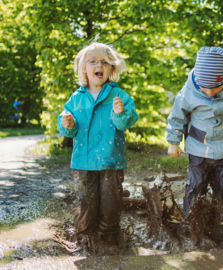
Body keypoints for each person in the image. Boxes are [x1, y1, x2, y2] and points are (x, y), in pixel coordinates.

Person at [166, 46, 223, 247]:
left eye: (214, 88)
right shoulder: (187, 92)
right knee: (195, 188)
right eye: (203, 88)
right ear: (196, 79)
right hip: (199, 148)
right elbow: (176, 118)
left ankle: (222, 230)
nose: (207, 92)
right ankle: (189, 228)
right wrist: (173, 142)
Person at [57, 42, 138, 247]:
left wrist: (120, 113)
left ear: (112, 68)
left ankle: (110, 236)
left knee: (111, 203)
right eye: (92, 61)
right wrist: (67, 123)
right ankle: (83, 235)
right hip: (83, 162)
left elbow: (126, 122)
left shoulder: (119, 96)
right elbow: (68, 126)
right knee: (85, 202)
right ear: (84, 68)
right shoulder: (77, 98)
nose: (98, 65)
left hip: (111, 161)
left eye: (104, 62)